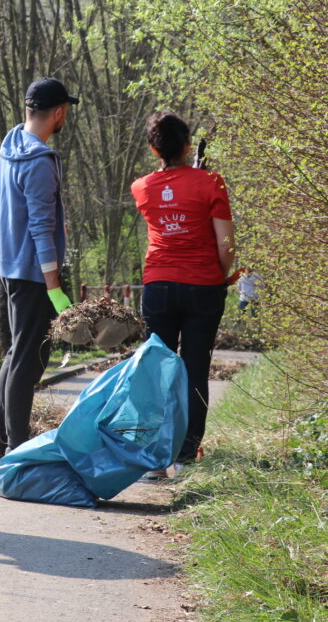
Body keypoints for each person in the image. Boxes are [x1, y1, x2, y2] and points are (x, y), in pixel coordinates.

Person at [131, 111, 235, 476]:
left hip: (158, 285)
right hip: (204, 286)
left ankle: (154, 460)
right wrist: (220, 277)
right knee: (195, 369)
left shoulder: (141, 188)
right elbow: (226, 244)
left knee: (157, 368)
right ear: (188, 144)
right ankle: (186, 456)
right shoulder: (213, 183)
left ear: (152, 148)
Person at [0, 77, 77, 458]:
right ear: (58, 113)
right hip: (33, 272)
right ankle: (16, 445)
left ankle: (0, 436)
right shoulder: (38, 162)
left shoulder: (11, 146)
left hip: (10, 265)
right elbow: (40, 225)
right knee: (30, 356)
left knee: (18, 351)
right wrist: (54, 284)